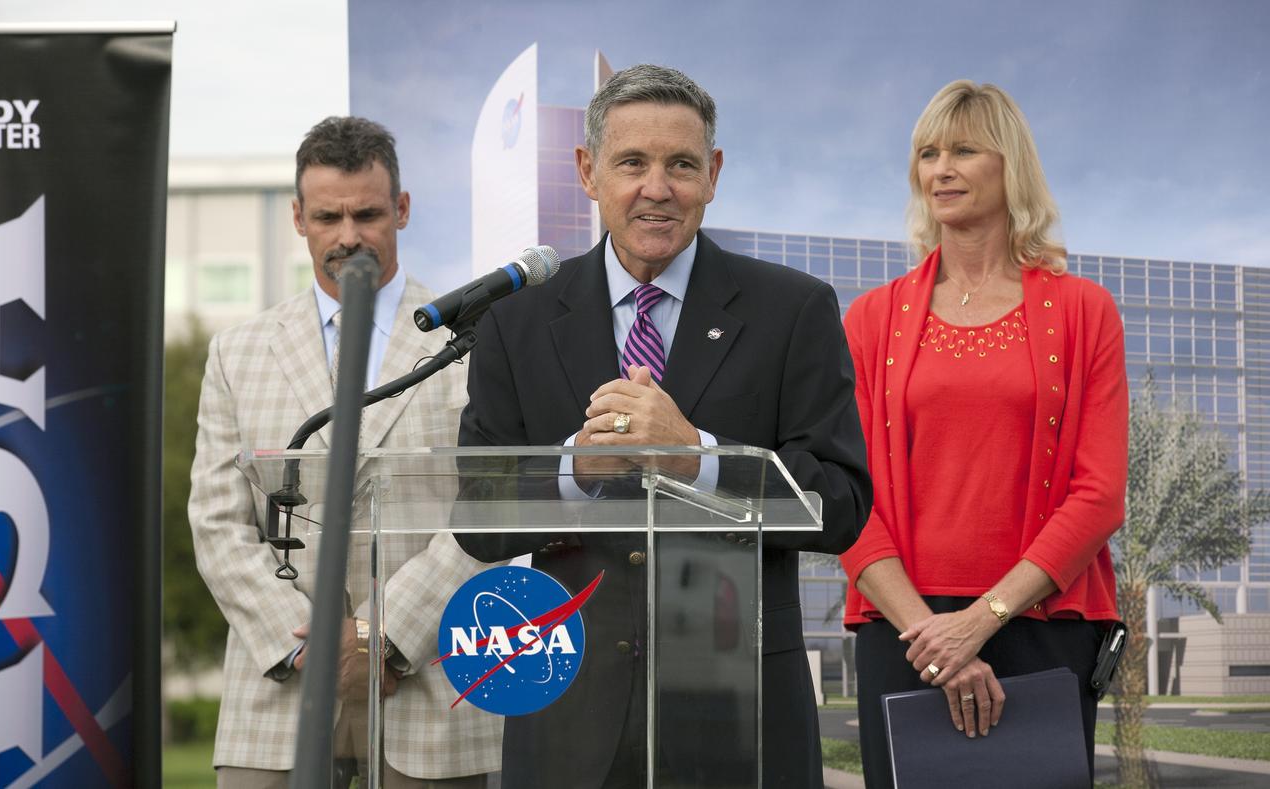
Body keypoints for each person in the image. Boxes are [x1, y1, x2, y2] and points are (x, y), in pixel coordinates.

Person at [455, 64, 871, 788]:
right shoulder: (514, 322)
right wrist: (574, 469)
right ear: (588, 172)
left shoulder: (792, 310)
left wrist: (699, 458)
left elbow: (840, 504)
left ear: (713, 174)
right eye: (632, 163)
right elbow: (478, 513)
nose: (658, 187)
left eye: (681, 164)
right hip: (567, 712)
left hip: (741, 713)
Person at [188, 116, 501, 788]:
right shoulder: (238, 352)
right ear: (298, 218)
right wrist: (311, 647)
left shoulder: (479, 342)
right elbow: (217, 522)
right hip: (279, 686)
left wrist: (382, 638)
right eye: (329, 216)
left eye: (367, 213)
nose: (349, 235)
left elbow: (487, 506)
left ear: (403, 209)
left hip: (432, 684)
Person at [838, 80, 1127, 787]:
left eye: (964, 150)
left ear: (1011, 167)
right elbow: (846, 495)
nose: (940, 169)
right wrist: (934, 636)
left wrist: (980, 620)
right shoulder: (870, 320)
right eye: (928, 153)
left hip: (1042, 619)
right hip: (903, 629)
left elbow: (1100, 495)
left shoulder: (1086, 311)